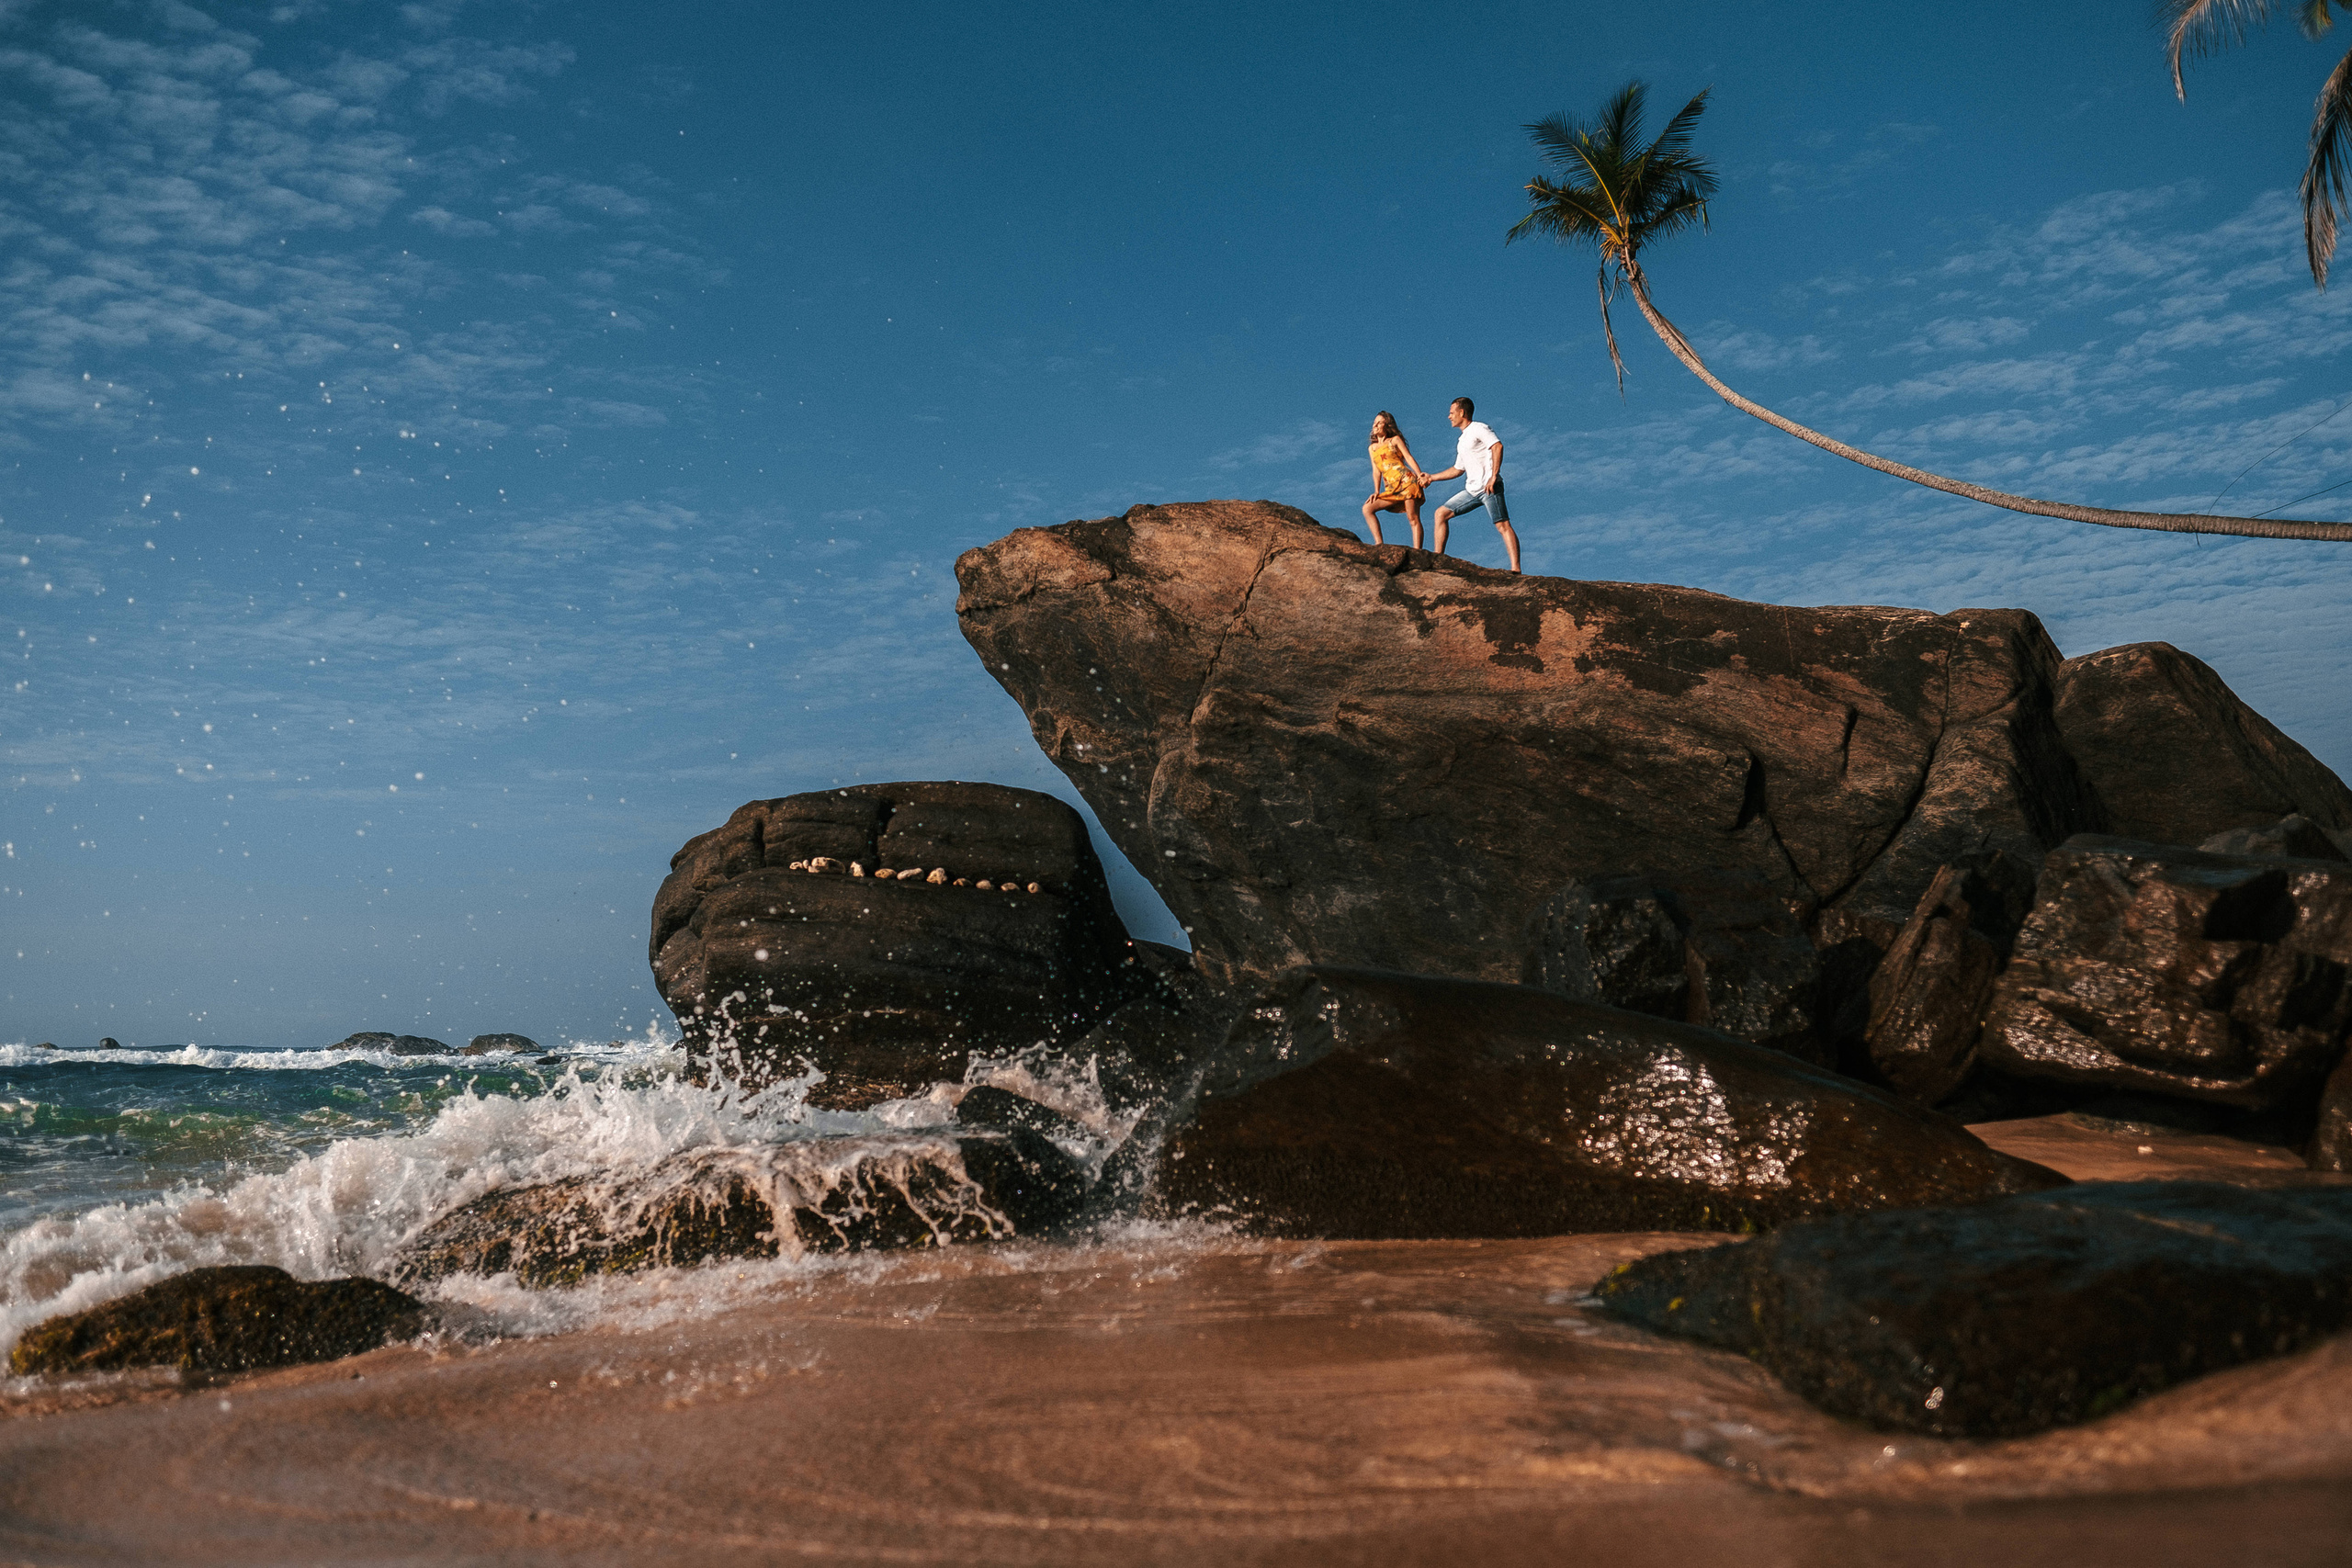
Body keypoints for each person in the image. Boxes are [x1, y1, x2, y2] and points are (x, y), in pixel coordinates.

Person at [1423, 397, 1521, 572]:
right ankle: (1437, 560)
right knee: (1440, 514)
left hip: (1489, 488)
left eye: (1451, 413)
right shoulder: (1462, 440)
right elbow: (1457, 469)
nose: (1449, 416)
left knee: (1502, 525)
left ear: (1462, 412)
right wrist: (1431, 477)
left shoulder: (1478, 428)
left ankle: (1516, 568)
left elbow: (1497, 446)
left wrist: (1493, 476)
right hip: (1472, 491)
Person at [1360, 411, 1430, 547]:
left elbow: (1408, 457)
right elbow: (1376, 471)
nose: (1375, 425)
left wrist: (1419, 474)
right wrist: (1376, 491)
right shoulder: (1372, 448)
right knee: (1367, 508)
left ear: (1387, 425)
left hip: (1407, 482)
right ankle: (1379, 544)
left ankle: (1418, 552)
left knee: (1413, 517)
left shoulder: (1394, 440)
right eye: (1374, 423)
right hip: (1391, 488)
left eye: (1379, 423)